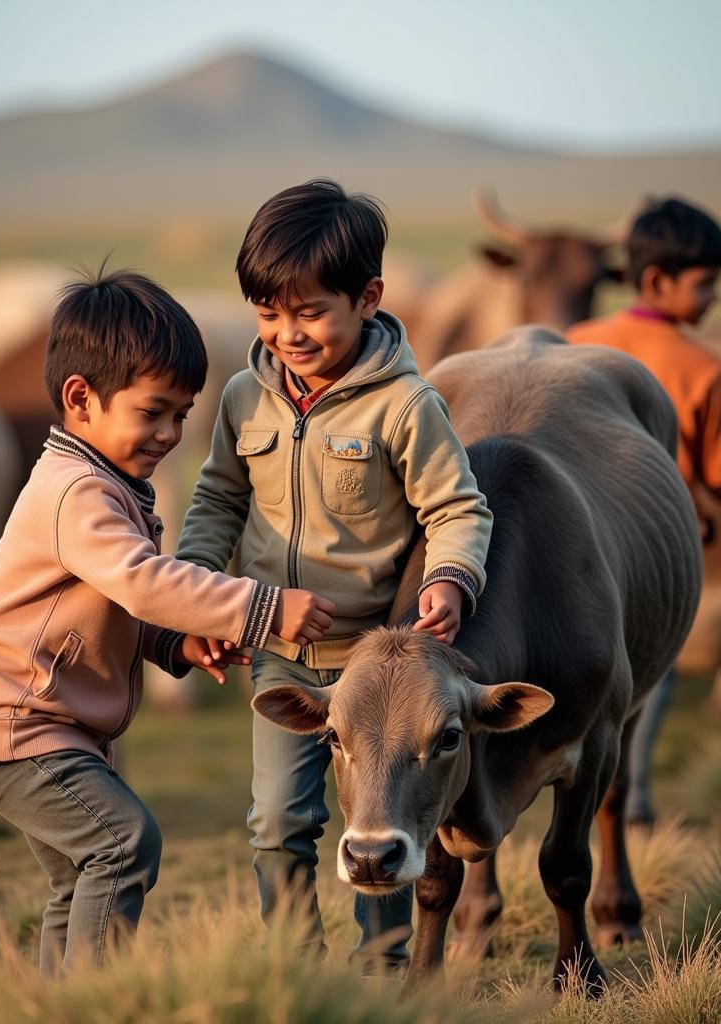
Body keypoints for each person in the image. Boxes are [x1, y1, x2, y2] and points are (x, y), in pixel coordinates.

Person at [0, 269, 335, 974]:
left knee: (79, 875)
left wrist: (175, 641)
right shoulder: (76, 490)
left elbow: (119, 603)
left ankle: (58, 1004)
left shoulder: (106, 483)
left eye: (182, 415)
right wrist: (261, 610)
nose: (172, 434)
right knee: (123, 845)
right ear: (80, 399)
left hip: (35, 719)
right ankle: (95, 1004)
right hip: (13, 719)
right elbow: (144, 581)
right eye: (154, 413)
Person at [175, 179, 494, 971]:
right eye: (268, 314)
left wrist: (450, 579)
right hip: (276, 651)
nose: (289, 333)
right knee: (279, 819)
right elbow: (216, 499)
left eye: (310, 310)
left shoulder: (407, 407)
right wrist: (198, 599)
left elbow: (458, 508)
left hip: (374, 666)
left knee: (377, 810)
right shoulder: (245, 396)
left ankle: (381, 965)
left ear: (368, 298)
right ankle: (291, 963)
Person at [568, 195, 721, 825]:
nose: (715, 298)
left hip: (571, 546)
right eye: (706, 284)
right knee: (645, 679)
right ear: (656, 282)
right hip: (654, 560)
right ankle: (632, 804)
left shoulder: (573, 342)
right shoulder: (705, 368)